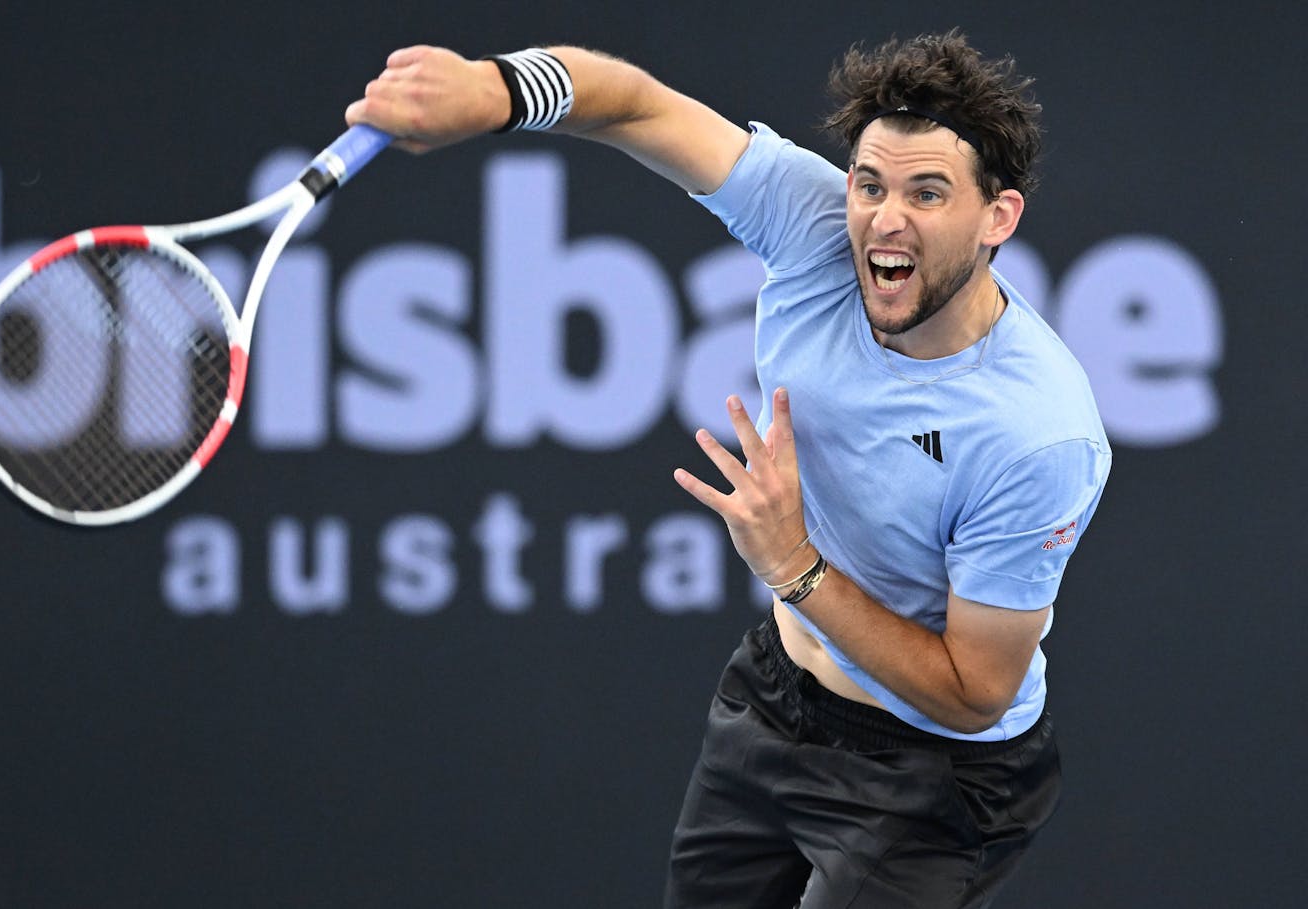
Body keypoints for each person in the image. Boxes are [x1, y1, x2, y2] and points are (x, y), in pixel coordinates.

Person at [347, 31, 1110, 908]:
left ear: (997, 218)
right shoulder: (814, 224)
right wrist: (494, 89)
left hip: (937, 779)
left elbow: (975, 693)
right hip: (778, 700)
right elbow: (636, 104)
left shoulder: (1038, 433)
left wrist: (795, 567)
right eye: (869, 184)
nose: (884, 219)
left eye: (927, 193)